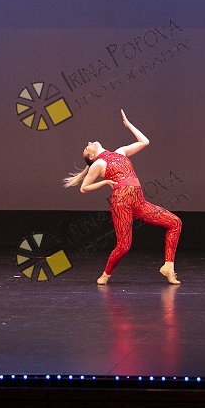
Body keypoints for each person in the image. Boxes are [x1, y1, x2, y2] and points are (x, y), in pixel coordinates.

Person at [63, 110, 182, 286]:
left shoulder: (120, 152)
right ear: (91, 156)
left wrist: (129, 125)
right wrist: (105, 182)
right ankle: (106, 274)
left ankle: (168, 267)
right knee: (124, 245)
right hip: (121, 203)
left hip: (139, 202)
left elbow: (145, 141)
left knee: (175, 223)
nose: (88, 143)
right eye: (86, 148)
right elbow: (84, 188)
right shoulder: (99, 163)